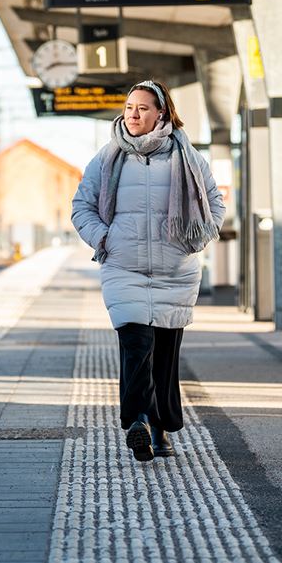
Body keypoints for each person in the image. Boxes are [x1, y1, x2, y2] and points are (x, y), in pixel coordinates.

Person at [71, 80, 224, 462]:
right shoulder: (108, 157)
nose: (133, 114)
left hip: (175, 270)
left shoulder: (186, 157)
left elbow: (215, 203)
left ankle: (161, 428)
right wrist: (104, 238)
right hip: (125, 267)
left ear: (162, 113)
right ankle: (138, 421)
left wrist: (195, 241)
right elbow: (81, 206)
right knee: (137, 345)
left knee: (165, 356)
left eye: (142, 108)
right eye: (129, 107)